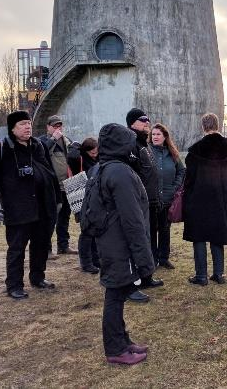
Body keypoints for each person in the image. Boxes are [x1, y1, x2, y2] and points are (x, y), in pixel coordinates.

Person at [89, 124, 154, 365]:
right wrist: (144, 258)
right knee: (115, 296)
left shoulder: (102, 168)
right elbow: (132, 219)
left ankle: (122, 340)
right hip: (119, 244)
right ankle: (116, 349)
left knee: (116, 293)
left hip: (109, 242)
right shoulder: (120, 172)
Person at [0, 111, 60, 299]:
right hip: (17, 208)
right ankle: (14, 285)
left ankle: (38, 277)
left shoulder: (38, 146)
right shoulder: (3, 149)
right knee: (17, 248)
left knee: (40, 244)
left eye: (29, 123)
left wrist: (57, 199)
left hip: (42, 206)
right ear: (12, 128)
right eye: (22, 124)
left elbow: (50, 171)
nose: (27, 127)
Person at [183, 113, 227, 285]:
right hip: (222, 196)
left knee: (199, 235)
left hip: (199, 197)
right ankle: (219, 273)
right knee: (217, 233)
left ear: (203, 127)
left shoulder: (194, 150)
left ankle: (201, 275)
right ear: (218, 125)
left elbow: (189, 179)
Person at [125, 108, 164, 300]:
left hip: (150, 201)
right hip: (138, 203)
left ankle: (147, 276)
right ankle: (134, 281)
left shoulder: (144, 144)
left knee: (148, 241)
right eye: (142, 120)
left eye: (148, 119)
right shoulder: (130, 144)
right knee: (137, 242)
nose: (147, 123)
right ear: (132, 123)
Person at [38, 115, 77, 255]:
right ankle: (46, 248)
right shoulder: (42, 141)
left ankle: (63, 245)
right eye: (54, 126)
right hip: (52, 186)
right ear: (48, 127)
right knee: (50, 218)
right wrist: (53, 138)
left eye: (59, 126)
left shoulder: (67, 140)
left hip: (67, 184)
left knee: (65, 217)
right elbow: (40, 153)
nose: (58, 128)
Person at [149, 123, 185, 269]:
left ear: (165, 137)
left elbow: (182, 171)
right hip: (151, 199)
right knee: (151, 230)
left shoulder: (172, 153)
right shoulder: (146, 152)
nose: (155, 137)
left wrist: (174, 187)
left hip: (168, 198)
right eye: (153, 134)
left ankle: (164, 258)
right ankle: (152, 259)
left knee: (165, 229)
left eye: (158, 134)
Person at [68, 137, 101, 273]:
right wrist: (76, 147)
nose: (95, 155)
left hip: (94, 198)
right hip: (81, 198)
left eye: (96, 152)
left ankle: (95, 259)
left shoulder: (96, 160)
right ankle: (86, 263)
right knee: (86, 232)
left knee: (94, 231)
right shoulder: (79, 159)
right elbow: (71, 156)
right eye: (92, 152)